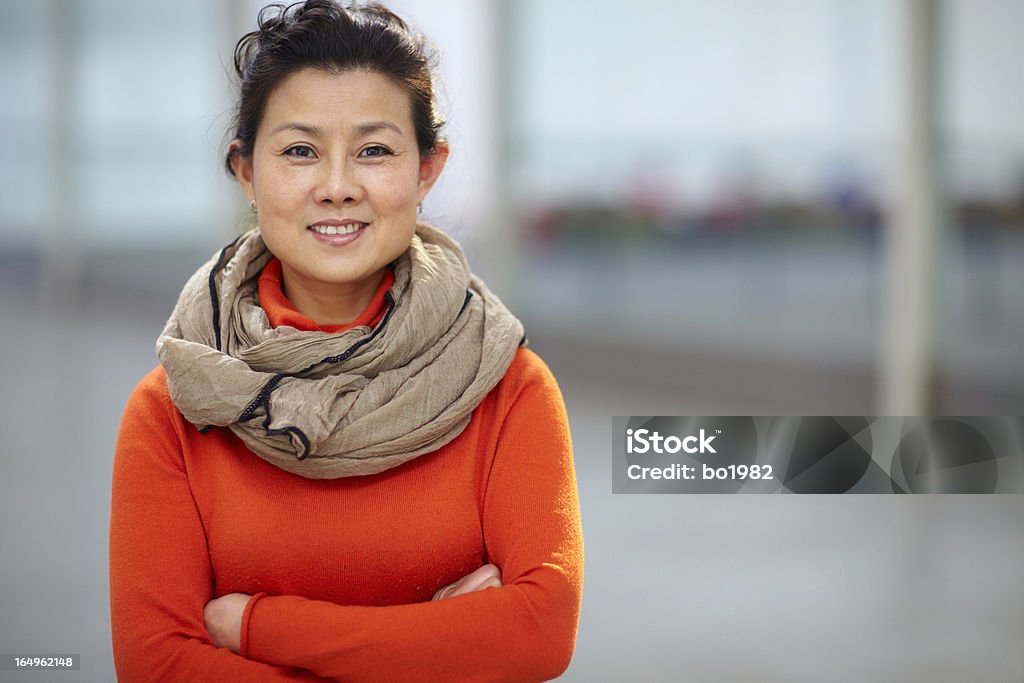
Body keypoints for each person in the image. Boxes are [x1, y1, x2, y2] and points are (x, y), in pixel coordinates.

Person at [108, 1, 584, 681]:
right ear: (246, 172)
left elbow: (538, 632)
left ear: (427, 169)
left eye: (375, 151)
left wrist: (253, 626)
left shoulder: (506, 387)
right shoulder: (175, 409)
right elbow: (156, 665)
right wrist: (442, 644)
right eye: (300, 151)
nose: (337, 187)